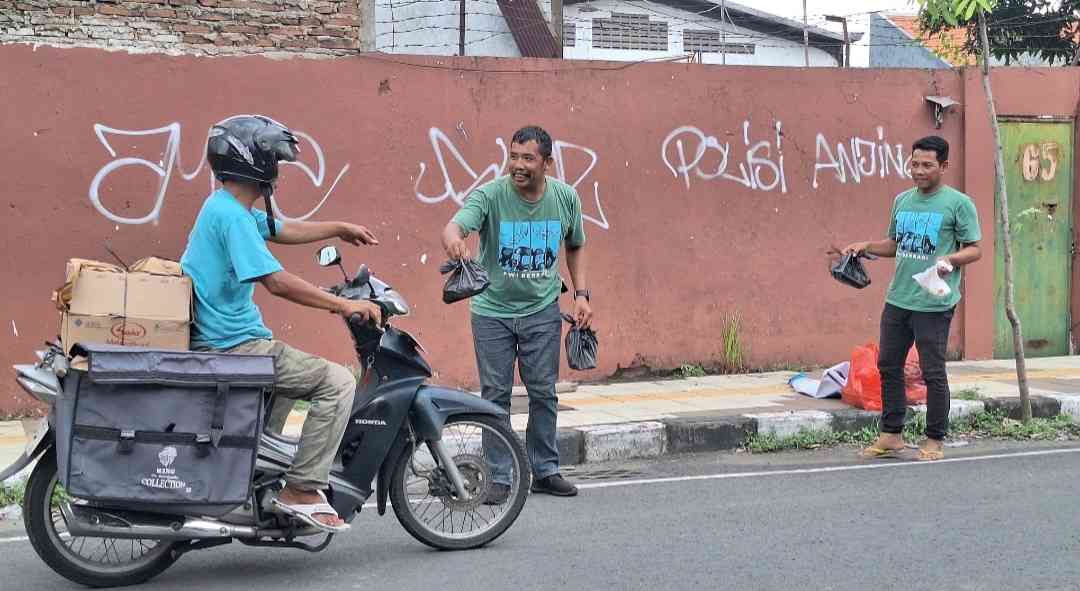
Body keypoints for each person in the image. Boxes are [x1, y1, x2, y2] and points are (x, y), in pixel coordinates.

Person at [181, 115, 382, 532]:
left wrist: (340, 227)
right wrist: (340, 306)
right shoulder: (233, 217)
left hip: (225, 339)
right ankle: (302, 489)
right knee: (336, 382)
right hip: (231, 346)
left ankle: (258, 478)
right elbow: (276, 283)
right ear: (255, 163)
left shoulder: (225, 206)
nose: (277, 169)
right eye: (274, 159)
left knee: (290, 381)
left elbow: (282, 229)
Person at [441, 125, 594, 501]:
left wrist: (582, 295)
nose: (518, 165)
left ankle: (545, 470)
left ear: (547, 162)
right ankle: (499, 477)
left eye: (528, 158)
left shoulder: (565, 198)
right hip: (491, 312)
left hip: (542, 310)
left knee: (543, 393)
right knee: (495, 396)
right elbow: (455, 225)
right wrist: (455, 242)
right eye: (513, 156)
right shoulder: (491, 195)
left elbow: (575, 245)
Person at [832, 135, 981, 462]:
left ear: (944, 166)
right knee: (888, 366)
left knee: (932, 371)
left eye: (927, 165)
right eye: (914, 164)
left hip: (934, 302)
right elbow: (896, 245)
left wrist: (951, 260)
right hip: (899, 299)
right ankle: (891, 435)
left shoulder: (958, 204)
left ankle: (934, 439)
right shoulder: (902, 201)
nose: (918, 170)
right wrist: (866, 246)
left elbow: (975, 248)